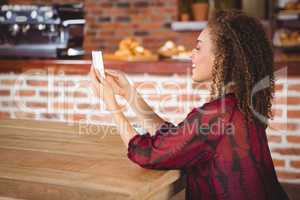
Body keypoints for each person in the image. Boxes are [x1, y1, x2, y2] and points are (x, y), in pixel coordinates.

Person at [89, 10, 289, 200]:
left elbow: (148, 155)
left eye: (199, 47)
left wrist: (112, 105)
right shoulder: (239, 104)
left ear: (223, 57)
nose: (191, 55)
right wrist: (129, 94)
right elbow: (177, 141)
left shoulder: (217, 114)